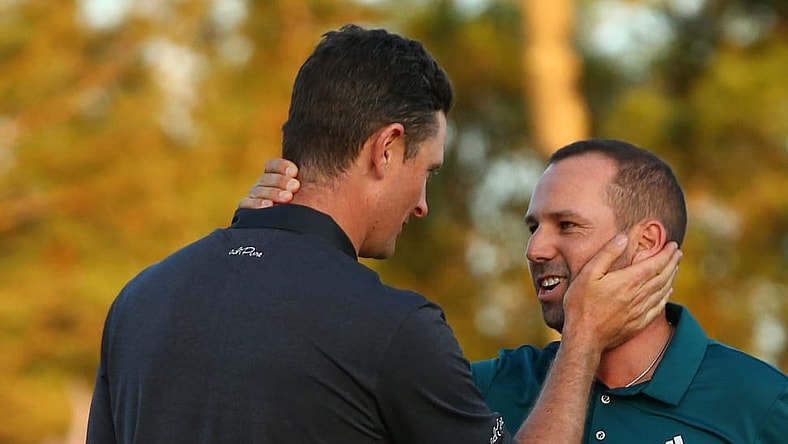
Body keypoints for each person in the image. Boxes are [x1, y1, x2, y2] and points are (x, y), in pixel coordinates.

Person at [87, 25, 680, 444]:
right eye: (426, 172)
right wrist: (583, 340)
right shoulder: (392, 329)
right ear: (387, 148)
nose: (421, 204)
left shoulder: (140, 299)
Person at [244, 138, 787, 443]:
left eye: (566, 226)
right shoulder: (484, 388)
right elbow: (290, 389)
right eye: (533, 228)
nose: (535, 250)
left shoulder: (758, 403)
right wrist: (265, 242)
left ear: (646, 243)